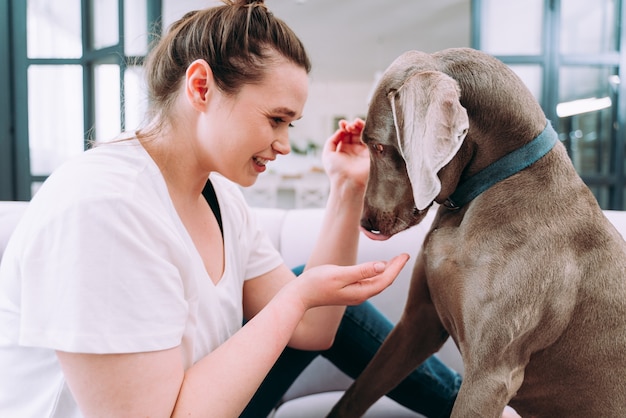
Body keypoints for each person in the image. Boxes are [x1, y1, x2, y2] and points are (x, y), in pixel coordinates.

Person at [0, 1, 519, 417]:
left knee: (304, 287)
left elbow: (316, 332)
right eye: (276, 119)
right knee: (298, 289)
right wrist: (294, 300)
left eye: (290, 124)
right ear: (201, 87)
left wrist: (345, 189)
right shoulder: (105, 208)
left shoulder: (221, 196)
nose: (285, 143)